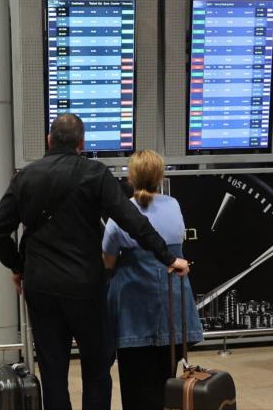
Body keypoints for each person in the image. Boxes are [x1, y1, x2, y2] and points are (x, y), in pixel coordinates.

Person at [0, 114, 189, 410]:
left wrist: (18, 265)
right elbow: (132, 221)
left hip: (41, 285)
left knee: (53, 372)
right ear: (82, 144)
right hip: (85, 287)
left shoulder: (25, 177)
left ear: (48, 141)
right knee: (96, 370)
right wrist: (168, 257)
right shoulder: (94, 174)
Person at [102, 150, 203, 410]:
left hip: (132, 309)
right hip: (173, 304)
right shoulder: (173, 205)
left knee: (136, 383)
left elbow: (108, 260)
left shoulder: (122, 211)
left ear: (131, 176)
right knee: (167, 378)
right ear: (160, 176)